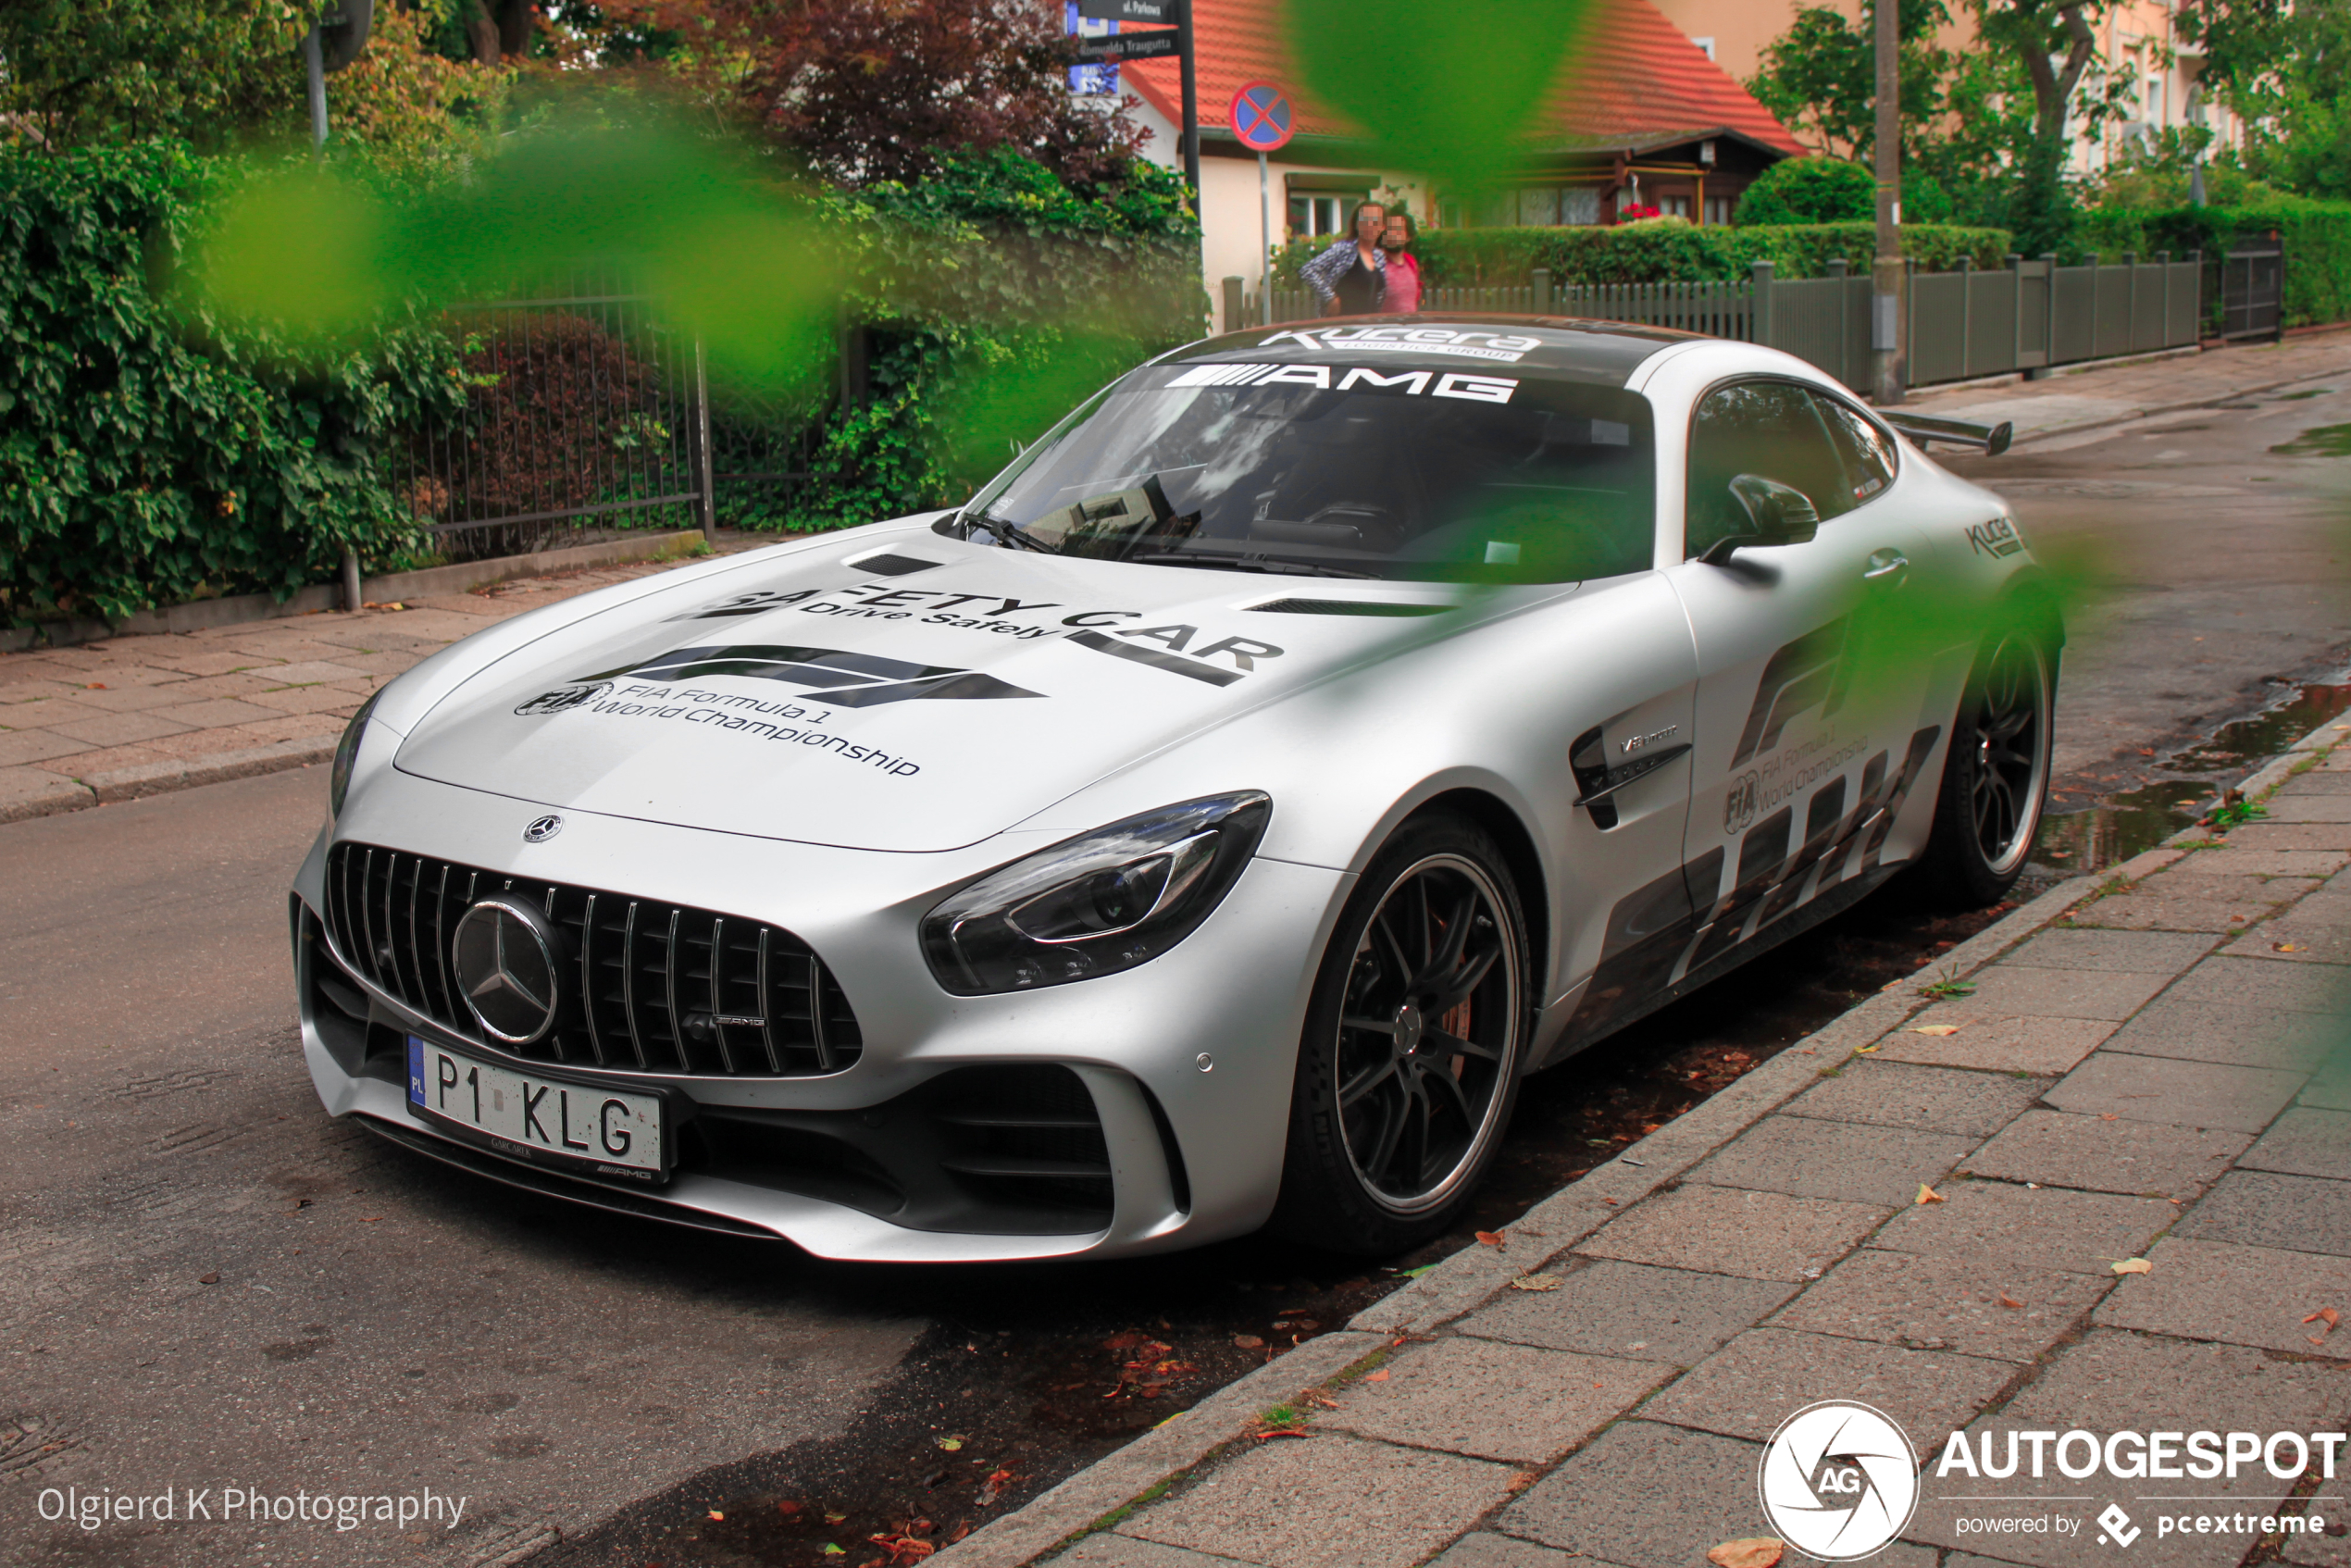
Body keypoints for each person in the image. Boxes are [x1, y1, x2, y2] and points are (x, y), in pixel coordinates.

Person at [1300, 201, 1386, 317]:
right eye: (1365, 220)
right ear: (1357, 224)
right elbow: (1307, 270)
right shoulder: (1344, 249)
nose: (1370, 225)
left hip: (1367, 326)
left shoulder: (1380, 257)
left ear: (1382, 227)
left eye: (1375, 222)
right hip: (1340, 325)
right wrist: (1330, 298)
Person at [1377, 210, 1422, 314]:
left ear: (1408, 237)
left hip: (1409, 328)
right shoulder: (1376, 264)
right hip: (1384, 328)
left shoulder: (1411, 263)